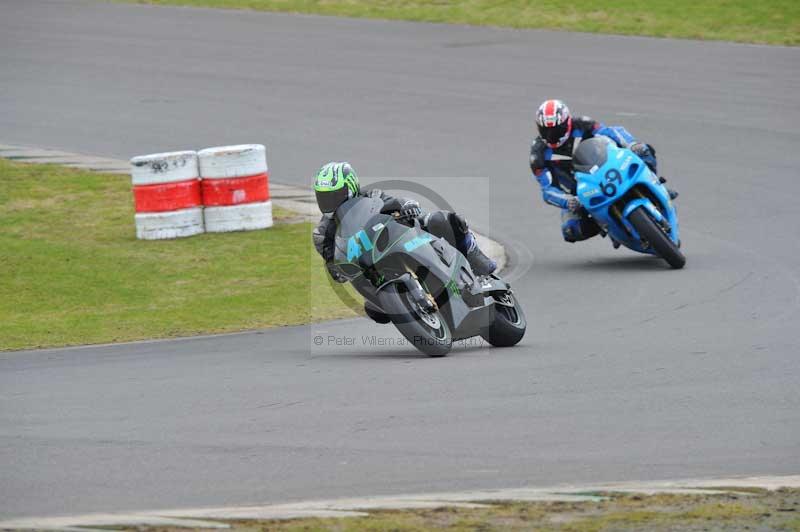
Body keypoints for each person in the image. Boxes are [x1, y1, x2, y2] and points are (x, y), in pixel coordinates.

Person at [312, 161, 497, 285]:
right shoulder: (322, 233)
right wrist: (337, 269)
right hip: (375, 271)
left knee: (443, 220)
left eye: (334, 195)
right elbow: (334, 265)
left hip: (400, 239)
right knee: (374, 311)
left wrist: (407, 206)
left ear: (350, 187)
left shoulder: (371, 197)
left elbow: (396, 202)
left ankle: (476, 258)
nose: (329, 201)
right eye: (323, 196)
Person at [529, 99, 676, 243]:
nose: (551, 136)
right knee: (571, 231)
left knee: (645, 150)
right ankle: (606, 226)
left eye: (556, 130)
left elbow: (611, 132)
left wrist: (632, 144)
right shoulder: (538, 154)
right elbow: (548, 190)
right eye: (546, 131)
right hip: (578, 193)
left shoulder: (582, 124)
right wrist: (568, 201)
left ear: (567, 122)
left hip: (605, 168)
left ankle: (654, 184)